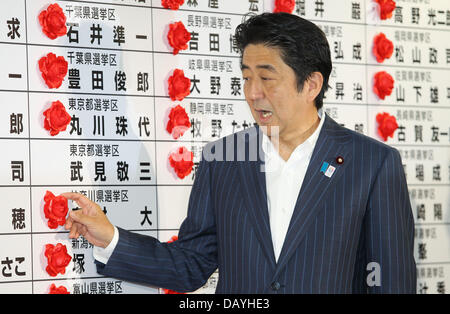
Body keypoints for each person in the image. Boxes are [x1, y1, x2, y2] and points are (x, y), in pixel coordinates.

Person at [63, 13, 416, 293]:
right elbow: (191, 263)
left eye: (267, 78)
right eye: (246, 77)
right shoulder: (224, 159)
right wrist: (111, 237)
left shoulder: (372, 164)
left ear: (311, 84)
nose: (253, 93)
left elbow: (390, 281)